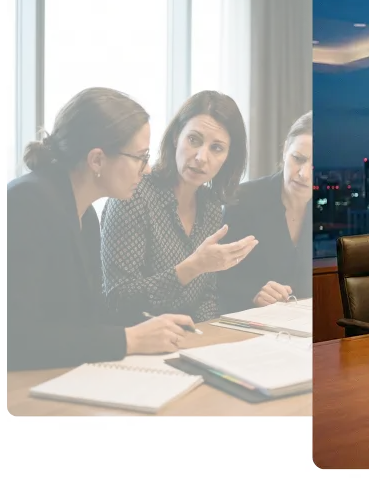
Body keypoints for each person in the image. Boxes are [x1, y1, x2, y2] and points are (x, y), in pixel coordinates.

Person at [8, 87, 195, 371]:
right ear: (96, 160)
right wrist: (129, 340)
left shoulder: (86, 216)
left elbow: (88, 318)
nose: (145, 170)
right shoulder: (26, 204)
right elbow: (15, 339)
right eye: (140, 157)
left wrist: (150, 326)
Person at [101, 91, 256, 325]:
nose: (201, 157)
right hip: (132, 342)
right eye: (193, 140)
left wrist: (212, 338)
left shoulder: (211, 205)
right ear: (176, 137)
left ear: (228, 157)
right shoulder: (133, 194)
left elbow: (206, 297)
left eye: (216, 148)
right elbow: (119, 301)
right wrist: (192, 267)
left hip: (188, 340)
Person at [219, 111, 313, 314]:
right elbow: (217, 278)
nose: (304, 174)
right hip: (247, 324)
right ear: (285, 150)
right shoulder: (244, 199)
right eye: (298, 159)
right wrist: (254, 292)